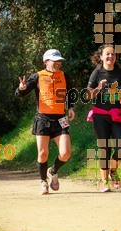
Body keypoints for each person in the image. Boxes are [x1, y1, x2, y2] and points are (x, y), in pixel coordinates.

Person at [15, 49, 75, 195]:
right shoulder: (37, 76)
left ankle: (53, 171)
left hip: (60, 119)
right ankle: (43, 181)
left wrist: (71, 107)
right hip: (42, 119)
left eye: (59, 61)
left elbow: (70, 92)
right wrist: (21, 88)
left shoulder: (64, 76)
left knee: (66, 153)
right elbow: (22, 92)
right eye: (55, 61)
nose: (58, 64)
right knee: (42, 153)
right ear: (46, 61)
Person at [86, 44, 121, 192]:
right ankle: (103, 181)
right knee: (105, 148)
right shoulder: (97, 73)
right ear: (102, 56)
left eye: (113, 54)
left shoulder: (120, 72)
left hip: (116, 114)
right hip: (100, 115)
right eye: (107, 54)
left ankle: (113, 171)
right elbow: (88, 95)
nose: (110, 57)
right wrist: (98, 87)